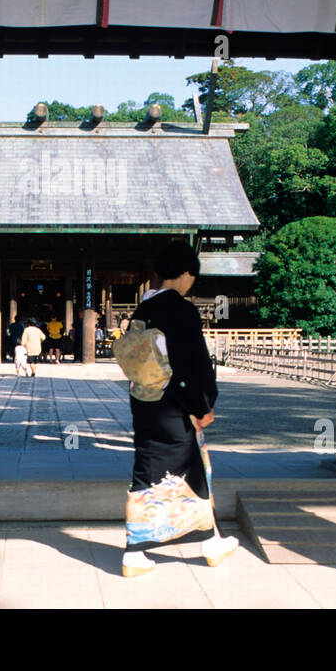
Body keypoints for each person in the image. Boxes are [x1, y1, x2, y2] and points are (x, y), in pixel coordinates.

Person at [121, 241, 238, 577]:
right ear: (186, 273)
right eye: (192, 276)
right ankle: (140, 550)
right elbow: (193, 364)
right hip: (175, 403)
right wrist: (203, 404)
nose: (191, 283)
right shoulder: (180, 309)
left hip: (144, 400)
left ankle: (204, 541)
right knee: (183, 469)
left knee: (155, 469)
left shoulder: (143, 310)